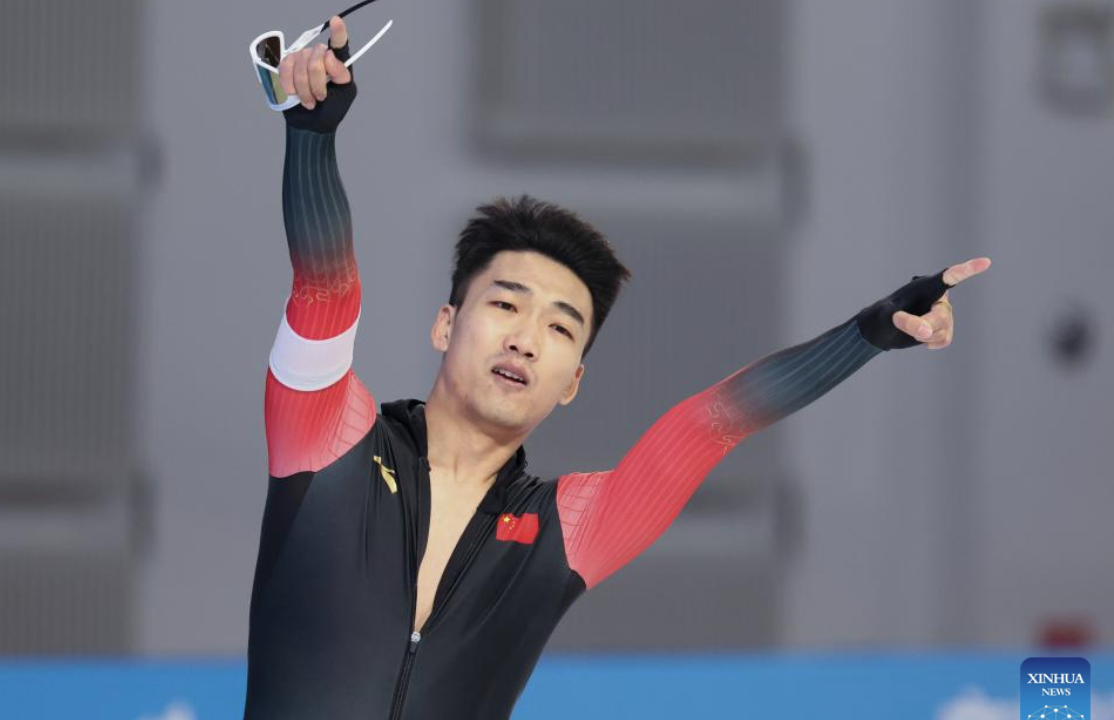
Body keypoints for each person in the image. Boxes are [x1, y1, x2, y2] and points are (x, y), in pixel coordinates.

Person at [243, 15, 993, 720]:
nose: (527, 339)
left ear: (573, 381)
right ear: (447, 324)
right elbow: (325, 286)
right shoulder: (330, 440)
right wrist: (310, 134)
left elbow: (716, 423)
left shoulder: (567, 531)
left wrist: (871, 332)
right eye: (506, 304)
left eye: (560, 327)